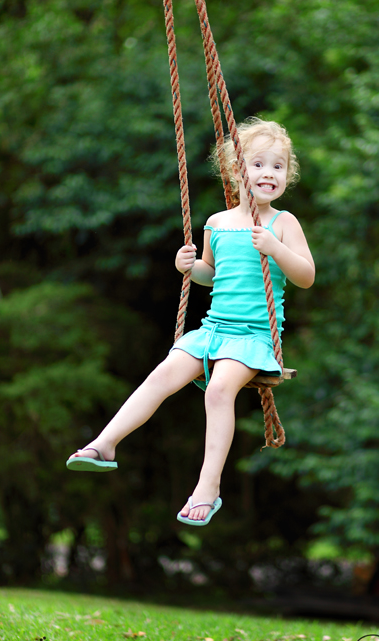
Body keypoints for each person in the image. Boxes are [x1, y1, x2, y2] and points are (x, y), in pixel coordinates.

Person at [66, 118, 315, 525]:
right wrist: (190, 266)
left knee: (218, 391)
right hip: (213, 330)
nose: (269, 173)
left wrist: (275, 248)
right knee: (162, 375)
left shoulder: (282, 223)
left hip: (253, 339)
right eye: (258, 164)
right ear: (237, 172)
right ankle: (105, 444)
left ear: (288, 174)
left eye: (278, 166)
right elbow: (212, 274)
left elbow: (306, 275)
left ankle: (208, 486)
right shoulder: (217, 223)